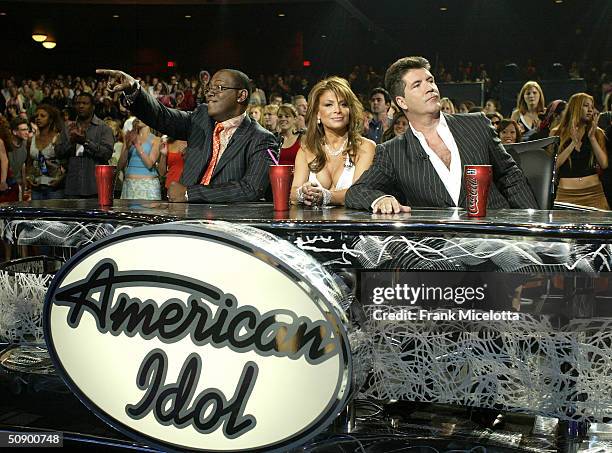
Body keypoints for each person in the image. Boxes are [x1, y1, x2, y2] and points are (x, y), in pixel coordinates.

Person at [345, 56, 538, 214]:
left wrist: (534, 227)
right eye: (417, 85)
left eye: (430, 80)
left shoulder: (477, 124)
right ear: (402, 102)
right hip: (440, 250)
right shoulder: (392, 152)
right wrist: (381, 198)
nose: (430, 87)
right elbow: (357, 191)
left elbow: (510, 176)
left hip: (496, 238)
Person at [97, 67, 276, 203]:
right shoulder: (201, 118)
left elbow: (251, 188)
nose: (211, 92)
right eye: (209, 88)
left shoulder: (261, 139)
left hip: (227, 229)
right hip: (186, 220)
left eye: (219, 87)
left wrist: (190, 193)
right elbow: (162, 116)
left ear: (241, 95)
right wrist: (133, 90)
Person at [290, 76, 375, 207]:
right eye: (329, 105)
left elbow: (359, 192)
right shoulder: (307, 149)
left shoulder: (365, 147)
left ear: (350, 110)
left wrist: (326, 196)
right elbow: (293, 194)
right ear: (317, 113)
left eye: (344, 104)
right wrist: (303, 192)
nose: (338, 110)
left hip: (352, 224)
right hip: (314, 225)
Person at [551, 92, 608, 210]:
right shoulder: (557, 133)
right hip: (566, 195)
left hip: (594, 193)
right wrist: (572, 143)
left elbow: (604, 163)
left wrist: (592, 138)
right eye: (586, 106)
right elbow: (554, 165)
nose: (590, 110)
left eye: (592, 107)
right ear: (576, 107)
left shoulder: (597, 133)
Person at [55, 92, 114, 199]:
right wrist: (71, 142)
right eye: (77, 103)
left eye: (85, 103)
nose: (81, 106)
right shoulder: (68, 127)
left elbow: (107, 154)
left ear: (93, 107)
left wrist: (85, 142)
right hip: (72, 187)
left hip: (95, 187)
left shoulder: (103, 128)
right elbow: (58, 152)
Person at [26, 104, 66, 200]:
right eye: (36, 116)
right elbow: (29, 161)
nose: (38, 118)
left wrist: (60, 180)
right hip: (36, 187)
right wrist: (28, 178)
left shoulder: (58, 138)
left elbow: (66, 162)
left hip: (54, 187)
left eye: (42, 116)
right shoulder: (31, 140)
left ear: (51, 119)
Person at [118, 119, 161, 200]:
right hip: (129, 185)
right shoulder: (130, 137)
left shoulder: (156, 140)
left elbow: (149, 164)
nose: (139, 118)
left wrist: (137, 145)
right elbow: (120, 165)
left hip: (148, 186)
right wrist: (127, 147)